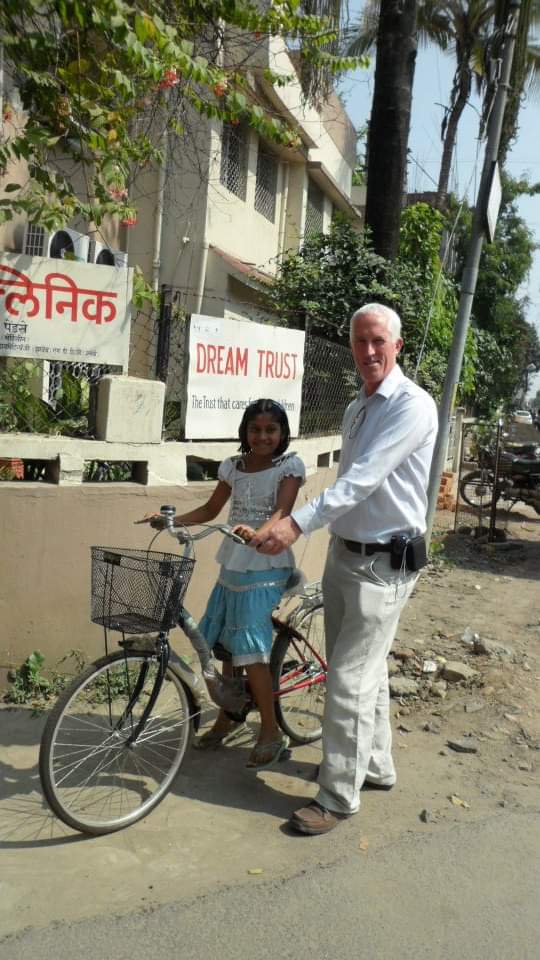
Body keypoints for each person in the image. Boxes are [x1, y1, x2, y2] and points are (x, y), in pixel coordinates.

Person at [251, 304, 438, 834]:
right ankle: (373, 766)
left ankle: (336, 797)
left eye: (378, 340)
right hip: (347, 554)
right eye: (359, 342)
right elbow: (348, 480)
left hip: (384, 563)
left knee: (348, 680)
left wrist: (295, 524)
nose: (368, 351)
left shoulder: (411, 406)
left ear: (397, 345)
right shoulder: (359, 406)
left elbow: (363, 481)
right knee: (365, 670)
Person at [144, 399, 305, 770]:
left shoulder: (289, 467)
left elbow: (282, 512)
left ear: (282, 434)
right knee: (224, 647)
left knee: (251, 651)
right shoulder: (234, 466)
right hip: (233, 563)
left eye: (270, 430)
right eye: (255, 429)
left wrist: (259, 533)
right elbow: (211, 510)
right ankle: (229, 717)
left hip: (267, 562)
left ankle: (269, 731)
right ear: (245, 432)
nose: (262, 436)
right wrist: (170, 521)